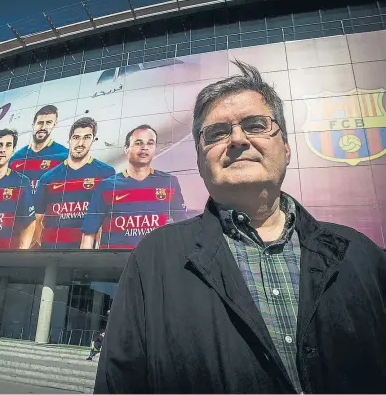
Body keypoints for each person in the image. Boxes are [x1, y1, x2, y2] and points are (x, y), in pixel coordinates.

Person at [94, 61, 386, 393]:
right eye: (217, 132)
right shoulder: (153, 260)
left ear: (286, 149)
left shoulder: (362, 256)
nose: (237, 139)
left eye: (256, 125)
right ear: (200, 162)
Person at [81, 125, 189, 249]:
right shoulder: (106, 186)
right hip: (116, 264)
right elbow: (89, 234)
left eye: (150, 143)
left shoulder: (169, 182)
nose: (145, 147)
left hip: (156, 262)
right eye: (138, 143)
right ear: (126, 149)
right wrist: (84, 267)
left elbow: (183, 227)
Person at [33, 117, 115, 249]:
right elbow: (36, 220)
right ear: (69, 140)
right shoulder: (48, 178)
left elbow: (109, 219)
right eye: (76, 137)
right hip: (54, 257)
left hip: (88, 257)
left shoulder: (107, 173)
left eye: (87, 137)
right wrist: (45, 249)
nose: (80, 143)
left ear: (93, 140)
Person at [9, 105, 68, 194]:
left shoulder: (64, 156)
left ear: (54, 125)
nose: (43, 127)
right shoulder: (16, 158)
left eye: (48, 123)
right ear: (33, 125)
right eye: (40, 123)